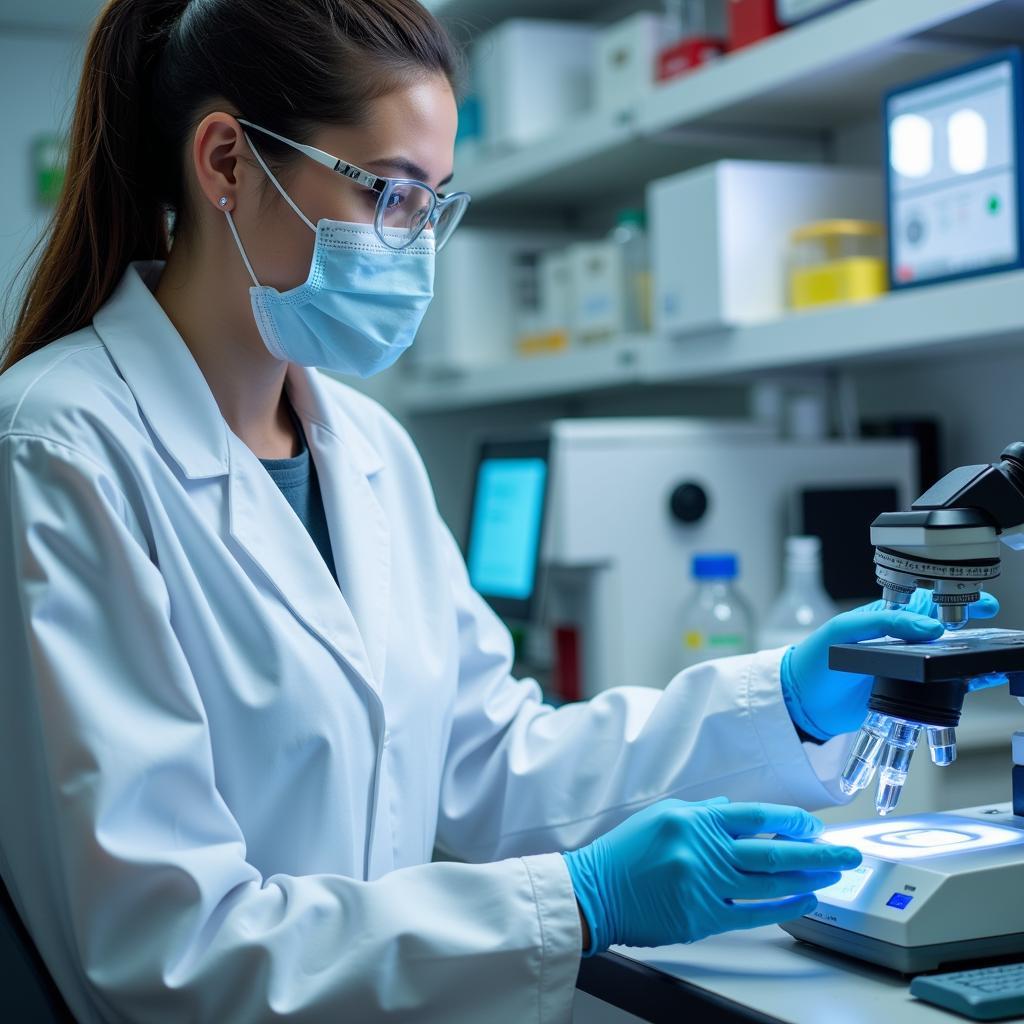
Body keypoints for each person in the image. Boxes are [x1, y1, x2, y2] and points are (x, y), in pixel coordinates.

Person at [0, 1, 1000, 1021]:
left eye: (433, 203)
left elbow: (492, 762)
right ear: (226, 162)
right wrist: (582, 898)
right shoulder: (60, 451)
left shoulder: (369, 450)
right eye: (389, 194)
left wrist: (785, 697)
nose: (415, 245)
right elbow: (167, 948)